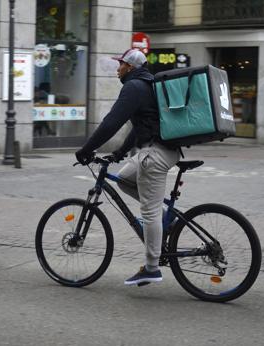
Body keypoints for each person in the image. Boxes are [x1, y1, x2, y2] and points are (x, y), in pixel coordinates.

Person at [74, 48, 180, 286]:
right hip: (163, 150)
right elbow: (140, 125)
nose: (117, 68)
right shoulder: (147, 85)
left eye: (120, 64)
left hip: (155, 154)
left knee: (149, 211)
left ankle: (152, 268)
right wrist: (120, 153)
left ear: (130, 67)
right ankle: (169, 221)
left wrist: (86, 149)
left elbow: (111, 122)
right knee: (123, 179)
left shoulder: (133, 87)